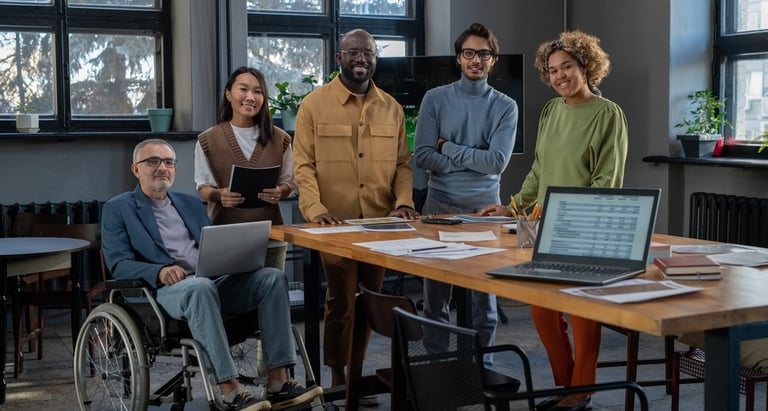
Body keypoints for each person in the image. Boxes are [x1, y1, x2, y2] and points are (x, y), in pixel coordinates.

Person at [101, 138, 323, 411]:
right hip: (165, 291)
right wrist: (159, 271)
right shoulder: (118, 208)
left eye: (169, 162)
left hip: (211, 280)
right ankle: (229, 389)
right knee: (200, 288)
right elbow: (118, 263)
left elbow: (211, 245)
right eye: (153, 161)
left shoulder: (190, 204)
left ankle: (278, 381)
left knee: (271, 278)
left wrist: (235, 257)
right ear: (136, 169)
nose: (162, 168)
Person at [478, 30, 628, 411]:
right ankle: (566, 388)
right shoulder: (550, 111)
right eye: (553, 70)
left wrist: (567, 214)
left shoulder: (608, 114)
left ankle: (581, 393)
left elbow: (607, 182)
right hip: (545, 230)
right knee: (543, 312)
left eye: (567, 67)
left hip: (586, 229)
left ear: (586, 67)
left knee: (582, 316)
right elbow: (539, 171)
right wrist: (513, 207)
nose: (559, 75)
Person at [292, 29, 419, 388]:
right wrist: (315, 209)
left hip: (379, 223)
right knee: (341, 300)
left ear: (376, 59)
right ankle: (338, 375)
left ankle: (356, 375)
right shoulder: (313, 105)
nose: (361, 58)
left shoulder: (391, 108)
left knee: (368, 301)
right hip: (335, 223)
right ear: (339, 59)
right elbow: (303, 165)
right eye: (353, 52)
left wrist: (404, 202)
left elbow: (403, 165)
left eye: (368, 53)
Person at [413, 22, 518, 363]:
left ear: (493, 60)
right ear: (458, 58)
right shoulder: (435, 99)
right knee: (435, 302)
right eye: (469, 53)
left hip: (485, 212)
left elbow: (497, 162)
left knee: (484, 303)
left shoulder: (505, 106)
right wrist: (474, 159)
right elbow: (423, 155)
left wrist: (448, 147)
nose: (476, 60)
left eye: (484, 54)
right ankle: (438, 368)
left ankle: (481, 368)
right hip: (438, 208)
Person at [194, 66, 295, 270]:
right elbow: (203, 187)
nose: (250, 97)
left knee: (272, 286)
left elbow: (290, 182)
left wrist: (281, 192)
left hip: (271, 237)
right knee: (229, 290)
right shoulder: (208, 139)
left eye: (258, 91)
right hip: (225, 237)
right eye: (243, 89)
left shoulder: (280, 138)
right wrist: (219, 195)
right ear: (228, 94)